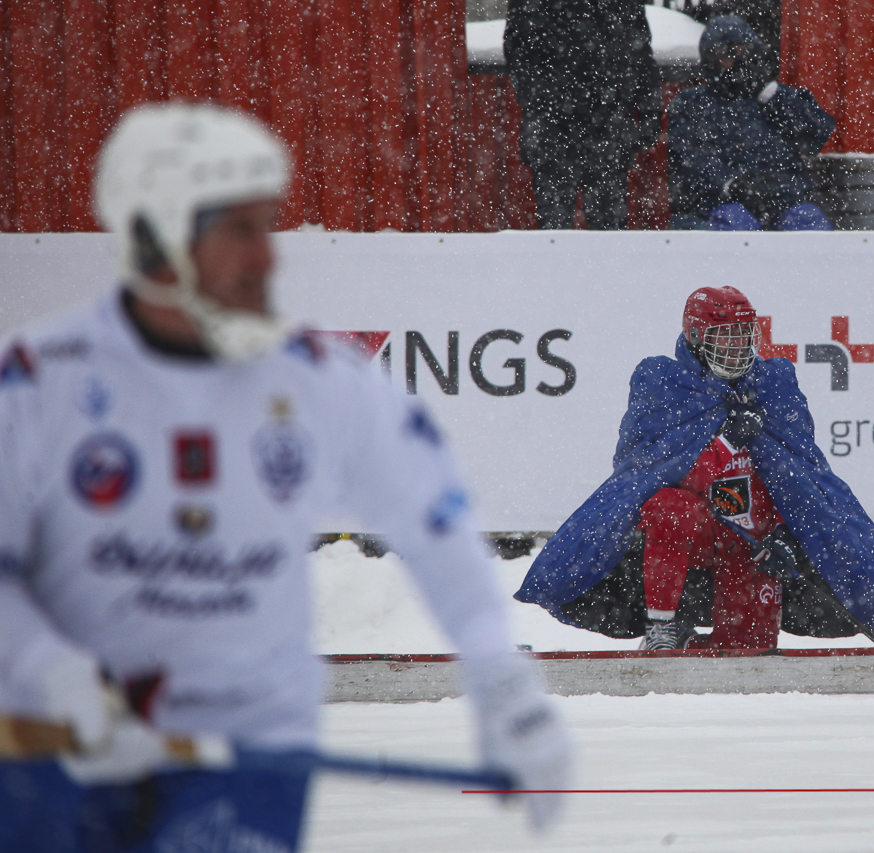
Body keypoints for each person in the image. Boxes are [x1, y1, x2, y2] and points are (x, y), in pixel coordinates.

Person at [0, 103, 571, 852]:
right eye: (240, 231)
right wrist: (52, 674)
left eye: (267, 227)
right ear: (154, 238)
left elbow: (436, 525)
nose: (269, 258)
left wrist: (503, 680)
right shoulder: (40, 380)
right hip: (51, 747)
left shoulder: (321, 380)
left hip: (249, 752)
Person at [515, 286, 874, 650]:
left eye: (743, 336)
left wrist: (785, 533)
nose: (736, 348)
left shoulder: (773, 386)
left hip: (753, 543)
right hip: (695, 534)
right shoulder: (664, 385)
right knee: (670, 507)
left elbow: (800, 479)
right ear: (696, 337)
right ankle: (660, 625)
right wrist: (727, 440)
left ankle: (690, 642)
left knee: (748, 652)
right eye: (724, 337)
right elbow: (659, 475)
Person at [667, 15, 836, 231]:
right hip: (717, 202)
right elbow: (688, 157)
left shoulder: (777, 97)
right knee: (735, 227)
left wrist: (770, 93)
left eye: (744, 51)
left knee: (809, 225)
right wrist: (731, 184)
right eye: (728, 53)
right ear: (711, 60)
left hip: (785, 199)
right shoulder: (691, 103)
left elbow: (818, 133)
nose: (738, 60)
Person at [504, 0, 663, 230]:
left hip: (596, 123)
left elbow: (641, 56)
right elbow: (518, 52)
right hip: (571, 124)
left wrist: (649, 111)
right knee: (567, 230)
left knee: (591, 230)